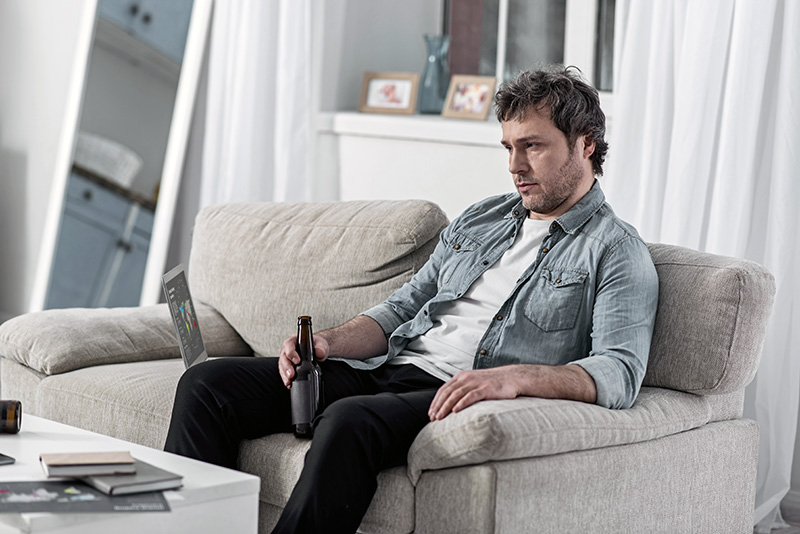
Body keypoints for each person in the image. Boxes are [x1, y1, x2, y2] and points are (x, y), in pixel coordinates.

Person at [164, 65, 659, 533]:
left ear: (586, 144)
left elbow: (619, 371)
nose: (515, 165)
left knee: (348, 419)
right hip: (391, 366)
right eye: (508, 147)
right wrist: (329, 343)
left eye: (533, 146)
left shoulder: (615, 251)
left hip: (452, 393)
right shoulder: (482, 219)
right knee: (207, 385)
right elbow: (403, 308)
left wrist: (513, 379)